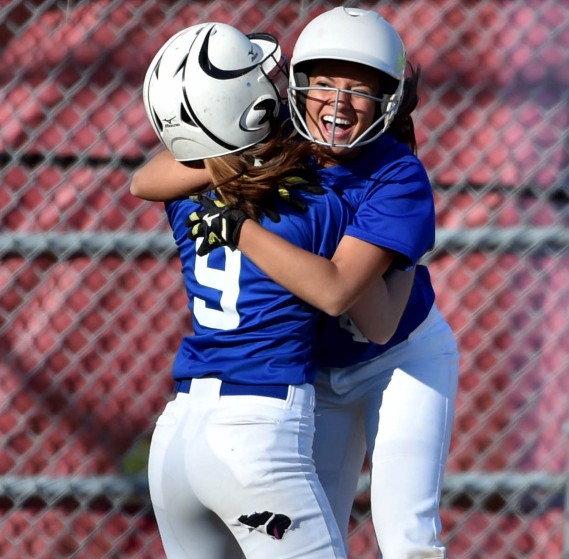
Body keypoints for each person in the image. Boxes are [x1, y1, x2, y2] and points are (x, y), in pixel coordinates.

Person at [133, 8, 460, 559]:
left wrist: (238, 226)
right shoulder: (276, 141)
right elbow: (146, 179)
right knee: (322, 529)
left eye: (358, 90)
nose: (337, 102)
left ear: (388, 101)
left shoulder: (398, 173)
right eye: (324, 83)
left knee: (408, 540)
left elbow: (373, 321)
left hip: (396, 357)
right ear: (296, 86)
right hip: (318, 372)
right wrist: (243, 160)